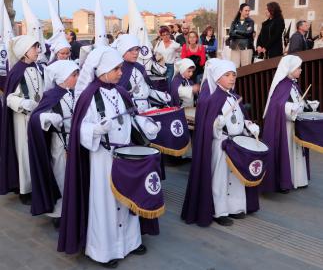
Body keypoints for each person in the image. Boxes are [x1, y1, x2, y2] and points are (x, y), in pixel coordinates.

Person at [58, 47, 161, 268]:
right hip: (103, 158)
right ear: (103, 70)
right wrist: (95, 130)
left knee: (127, 199)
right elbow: (79, 128)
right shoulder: (89, 95)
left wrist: (147, 125)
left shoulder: (122, 92)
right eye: (116, 69)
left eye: (120, 68)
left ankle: (130, 243)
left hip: (126, 156)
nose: (120, 72)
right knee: (104, 203)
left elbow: (132, 118)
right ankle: (104, 250)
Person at [181, 58, 260, 227]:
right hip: (221, 143)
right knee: (220, 177)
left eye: (233, 75)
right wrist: (217, 124)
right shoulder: (210, 99)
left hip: (236, 143)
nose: (232, 78)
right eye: (227, 75)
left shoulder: (234, 97)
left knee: (236, 176)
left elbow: (241, 118)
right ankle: (219, 210)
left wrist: (250, 126)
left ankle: (235, 207)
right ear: (217, 78)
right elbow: (207, 127)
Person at [28, 60, 79, 229]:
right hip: (60, 144)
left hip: (76, 141)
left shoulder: (73, 93)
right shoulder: (51, 95)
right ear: (63, 78)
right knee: (61, 176)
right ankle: (59, 212)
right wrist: (46, 117)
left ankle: (75, 208)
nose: (77, 78)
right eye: (74, 75)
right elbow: (35, 117)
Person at [261, 55, 319, 193]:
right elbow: (278, 105)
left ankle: (298, 179)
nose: (301, 70)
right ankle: (285, 180)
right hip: (285, 128)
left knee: (297, 151)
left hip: (295, 125)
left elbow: (299, 102)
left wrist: (309, 105)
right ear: (290, 68)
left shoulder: (293, 84)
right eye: (298, 68)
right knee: (286, 152)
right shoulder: (281, 85)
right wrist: (293, 108)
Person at [0, 35, 43, 204]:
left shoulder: (39, 68)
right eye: (35, 48)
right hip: (22, 120)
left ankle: (38, 185)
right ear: (25, 51)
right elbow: (9, 98)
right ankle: (25, 189)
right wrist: (24, 103)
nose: (38, 51)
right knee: (25, 154)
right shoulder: (16, 72)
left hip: (38, 119)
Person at [115, 34, 171, 113]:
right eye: (131, 50)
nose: (136, 53)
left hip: (147, 110)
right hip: (130, 112)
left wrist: (163, 96)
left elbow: (147, 90)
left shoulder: (140, 67)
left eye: (137, 49)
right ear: (123, 50)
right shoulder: (116, 70)